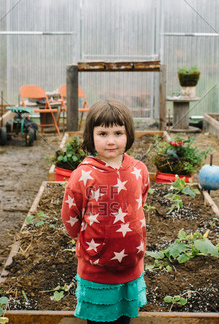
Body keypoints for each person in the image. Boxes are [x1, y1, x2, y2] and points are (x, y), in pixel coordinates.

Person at [61, 99, 149, 324]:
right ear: (91, 136)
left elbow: (140, 200)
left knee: (124, 318)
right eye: (102, 133)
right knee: (98, 318)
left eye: (118, 133)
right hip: (97, 268)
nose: (111, 141)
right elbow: (71, 217)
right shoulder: (83, 175)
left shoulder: (139, 170)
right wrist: (91, 242)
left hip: (130, 263)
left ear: (128, 134)